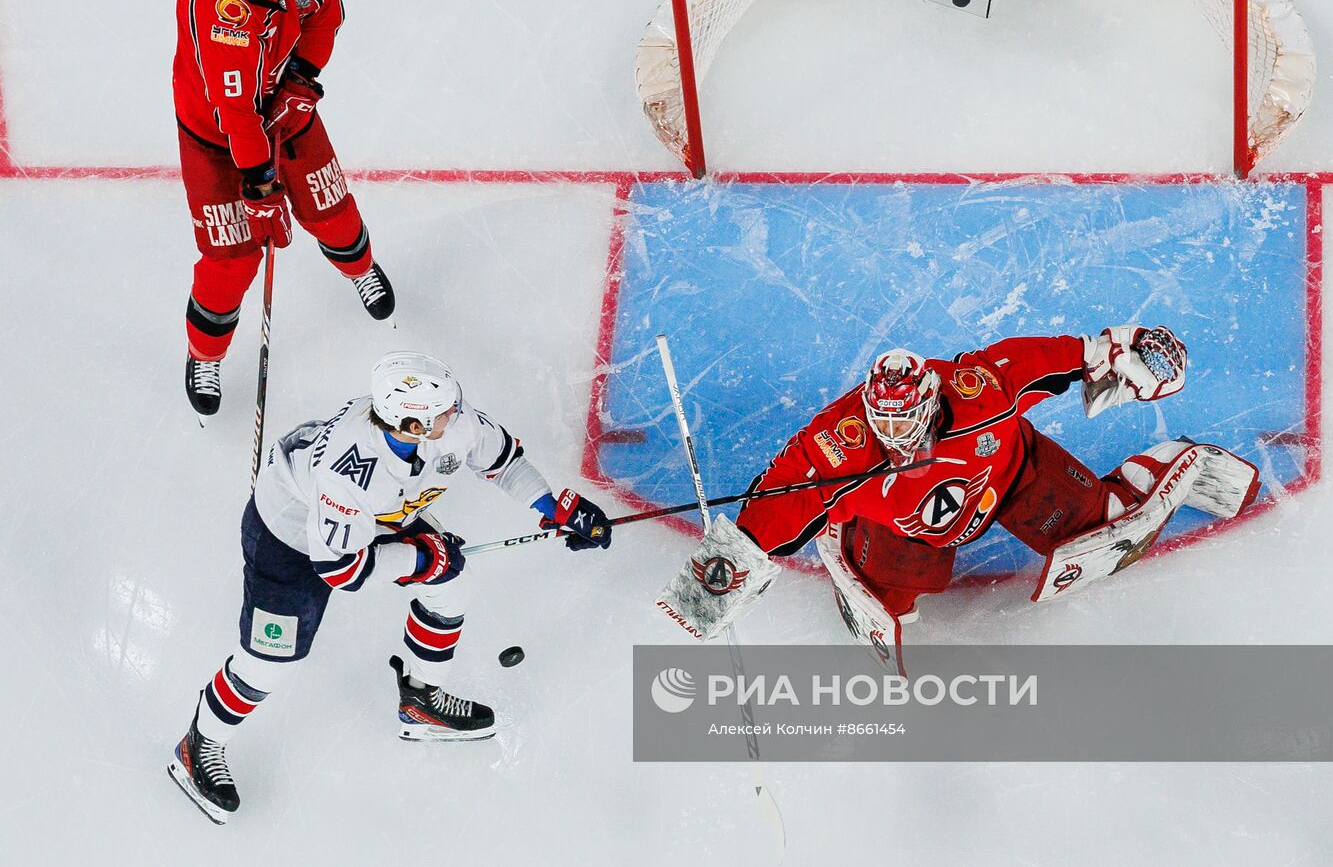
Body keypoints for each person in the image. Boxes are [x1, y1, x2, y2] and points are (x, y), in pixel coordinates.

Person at [168, 351, 613, 825]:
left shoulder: (443, 422)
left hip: (375, 516)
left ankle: (421, 701)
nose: (458, 413)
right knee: (269, 662)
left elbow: (501, 462)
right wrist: (423, 558)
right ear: (413, 426)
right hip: (290, 538)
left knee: (451, 586)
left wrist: (554, 507)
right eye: (445, 412)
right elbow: (341, 570)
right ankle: (200, 743)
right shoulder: (350, 474)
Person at [657, 327, 1261, 666]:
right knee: (890, 598)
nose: (896, 439)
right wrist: (721, 571)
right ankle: (859, 550)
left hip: (1014, 477)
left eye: (907, 423)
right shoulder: (838, 446)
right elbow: (780, 498)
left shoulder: (980, 391)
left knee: (1104, 521)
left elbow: (1052, 359)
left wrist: (1116, 354)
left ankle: (1165, 464)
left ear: (930, 400)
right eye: (884, 426)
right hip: (908, 531)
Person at [174, 0, 395, 417]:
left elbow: (326, 13)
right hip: (216, 137)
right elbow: (237, 116)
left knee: (331, 208)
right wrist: (261, 186)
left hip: (284, 105)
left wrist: (302, 77)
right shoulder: (217, 16)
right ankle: (205, 354)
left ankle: (360, 268)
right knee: (232, 259)